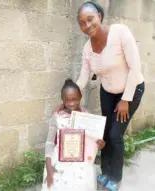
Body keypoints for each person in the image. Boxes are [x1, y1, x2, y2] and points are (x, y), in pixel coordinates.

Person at [75, 1, 145, 191]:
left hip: (132, 89)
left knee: (115, 135)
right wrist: (74, 93)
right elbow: (84, 75)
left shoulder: (120, 32)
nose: (87, 26)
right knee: (104, 133)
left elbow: (135, 67)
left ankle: (115, 177)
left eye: (90, 19)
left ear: (99, 15)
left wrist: (126, 99)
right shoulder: (87, 49)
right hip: (107, 92)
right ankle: (105, 172)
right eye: (82, 23)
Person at [41, 78, 105, 191]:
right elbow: (50, 143)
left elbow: (92, 140)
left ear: (80, 97)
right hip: (60, 161)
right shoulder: (57, 117)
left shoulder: (86, 115)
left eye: (74, 99)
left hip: (82, 162)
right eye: (67, 100)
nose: (71, 103)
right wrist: (49, 167)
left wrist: (99, 145)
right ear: (62, 100)